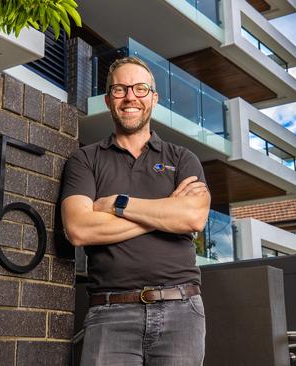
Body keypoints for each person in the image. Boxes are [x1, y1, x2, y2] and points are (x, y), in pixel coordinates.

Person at [60, 56, 211, 366]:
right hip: (109, 313)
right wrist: (166, 213)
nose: (130, 97)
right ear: (108, 100)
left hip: (181, 309)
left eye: (140, 89)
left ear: (153, 98)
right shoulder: (85, 160)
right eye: (120, 89)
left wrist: (119, 204)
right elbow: (79, 229)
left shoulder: (183, 159)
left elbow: (193, 217)